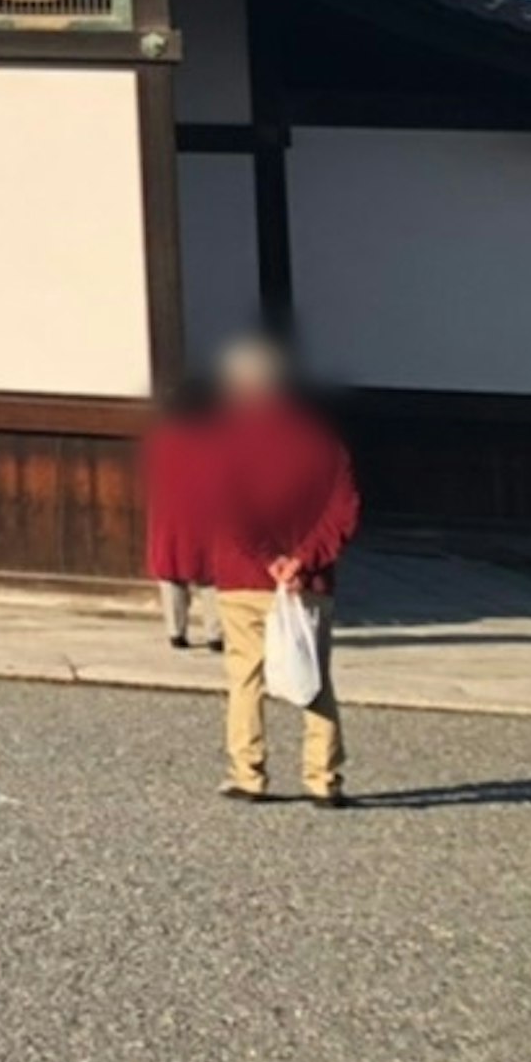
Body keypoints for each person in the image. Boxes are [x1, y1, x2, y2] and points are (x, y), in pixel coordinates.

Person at [199, 334, 360, 806]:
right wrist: (303, 559)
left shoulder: (228, 440)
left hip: (245, 577)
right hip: (309, 581)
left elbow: (227, 510)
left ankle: (248, 774)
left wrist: (268, 557)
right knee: (314, 676)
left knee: (245, 677)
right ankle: (323, 778)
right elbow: (343, 510)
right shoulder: (323, 442)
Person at [140, 376, 225, 652]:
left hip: (170, 513)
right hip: (209, 514)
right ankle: (216, 632)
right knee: (211, 574)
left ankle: (176, 630)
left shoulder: (161, 439)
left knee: (172, 572)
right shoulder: (217, 439)